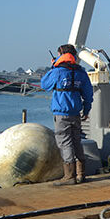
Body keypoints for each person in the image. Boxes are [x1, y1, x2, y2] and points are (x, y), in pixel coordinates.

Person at [41, 44, 94, 186]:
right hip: (76, 113)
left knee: (65, 142)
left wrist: (53, 66)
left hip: (61, 113)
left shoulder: (57, 71)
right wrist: (87, 110)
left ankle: (69, 176)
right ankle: (81, 174)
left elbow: (44, 84)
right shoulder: (81, 72)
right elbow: (88, 94)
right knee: (76, 141)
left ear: (61, 55)